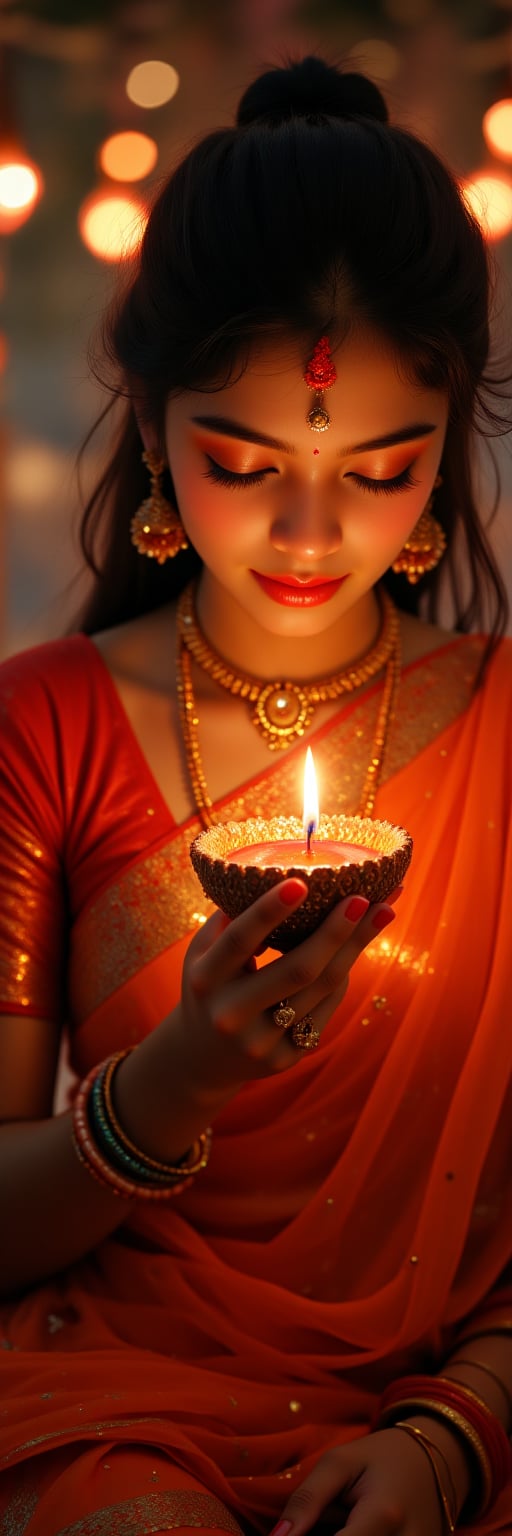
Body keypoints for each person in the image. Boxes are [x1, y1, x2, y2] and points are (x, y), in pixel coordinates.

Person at [0, 51, 511, 1536]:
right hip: (113, 1404)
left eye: (379, 470)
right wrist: (173, 1090)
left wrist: (455, 1436)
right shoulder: (47, 728)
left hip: (454, 1403)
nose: (307, 529)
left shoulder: (496, 730)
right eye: (244, 459)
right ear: (156, 427)